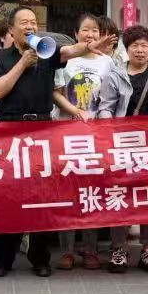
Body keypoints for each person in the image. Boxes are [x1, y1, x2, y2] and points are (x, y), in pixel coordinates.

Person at [0, 6, 85, 278]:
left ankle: (40, 257)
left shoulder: (47, 52)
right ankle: (3, 259)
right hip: (10, 129)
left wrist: (88, 46)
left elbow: (69, 52)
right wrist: (22, 63)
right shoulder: (0, 57)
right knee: (9, 196)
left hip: (42, 129)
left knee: (42, 196)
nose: (30, 26)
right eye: (24, 22)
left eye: (33, 22)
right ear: (11, 29)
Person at [95, 24, 148, 274]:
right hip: (122, 143)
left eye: (144, 45)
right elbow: (106, 106)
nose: (140, 50)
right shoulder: (115, 75)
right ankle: (119, 249)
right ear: (127, 49)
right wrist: (110, 130)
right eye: (135, 45)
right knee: (120, 195)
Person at [57, 14, 117, 268]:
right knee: (68, 191)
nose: (90, 34)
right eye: (85, 30)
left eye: (95, 30)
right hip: (66, 133)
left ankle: (90, 250)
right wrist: (74, 110)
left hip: (95, 136)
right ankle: (67, 251)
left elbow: (112, 97)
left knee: (92, 192)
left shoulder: (108, 62)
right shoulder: (66, 60)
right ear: (76, 33)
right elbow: (55, 92)